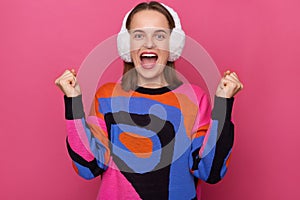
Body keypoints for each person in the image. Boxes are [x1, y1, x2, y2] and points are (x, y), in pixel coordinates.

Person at [55, 1, 243, 200]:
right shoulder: (107, 97)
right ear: (127, 45)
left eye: (160, 35)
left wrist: (223, 105)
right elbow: (88, 167)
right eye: (139, 35)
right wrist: (73, 102)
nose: (149, 43)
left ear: (173, 44)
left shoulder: (195, 99)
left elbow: (210, 171)